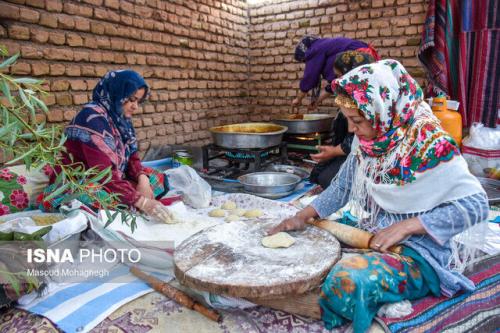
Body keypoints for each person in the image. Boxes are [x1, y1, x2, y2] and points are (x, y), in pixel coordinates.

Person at [271, 60, 489, 332]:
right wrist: (301, 217)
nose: (351, 130)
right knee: (307, 247)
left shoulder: (431, 144)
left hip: (418, 252)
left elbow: (476, 205)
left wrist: (408, 226)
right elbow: (342, 187)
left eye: (357, 121)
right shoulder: (370, 144)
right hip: (374, 234)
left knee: (347, 281)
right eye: (349, 120)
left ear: (382, 111)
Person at [39, 70, 169, 220]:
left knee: (156, 178)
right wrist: (142, 201)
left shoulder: (121, 121)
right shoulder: (91, 119)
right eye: (131, 99)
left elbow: (132, 158)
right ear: (117, 94)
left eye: (138, 101)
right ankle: (129, 206)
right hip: (78, 184)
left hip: (109, 179)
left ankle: (130, 203)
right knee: (98, 197)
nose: (135, 107)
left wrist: (143, 180)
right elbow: (103, 173)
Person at [309, 51, 376, 189]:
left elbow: (358, 142)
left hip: (362, 155)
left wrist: (334, 151)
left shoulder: (371, 104)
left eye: (340, 76)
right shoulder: (347, 98)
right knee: (316, 174)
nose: (338, 80)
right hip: (347, 152)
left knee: (328, 180)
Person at [292, 36, 379, 110]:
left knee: (354, 102)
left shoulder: (314, 49)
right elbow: (335, 85)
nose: (307, 63)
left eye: (305, 60)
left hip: (357, 59)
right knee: (362, 99)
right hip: (366, 57)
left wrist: (298, 99)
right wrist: (317, 102)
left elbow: (309, 78)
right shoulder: (327, 47)